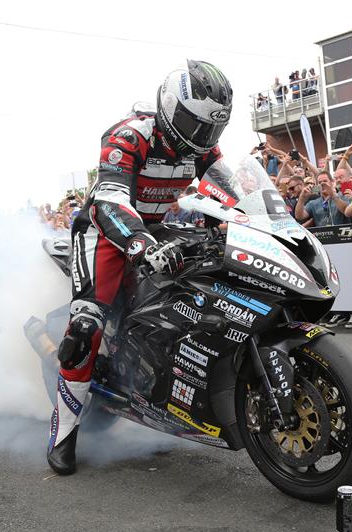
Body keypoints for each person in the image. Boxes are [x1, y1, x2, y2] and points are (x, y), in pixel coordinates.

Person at [47, 60, 233, 475]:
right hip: (106, 231)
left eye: (211, 129)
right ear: (170, 107)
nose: (203, 137)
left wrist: (244, 221)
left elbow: (226, 191)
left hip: (156, 230)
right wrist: (137, 241)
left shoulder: (203, 147)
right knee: (85, 329)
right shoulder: (128, 136)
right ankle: (63, 433)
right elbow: (109, 201)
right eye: (195, 124)